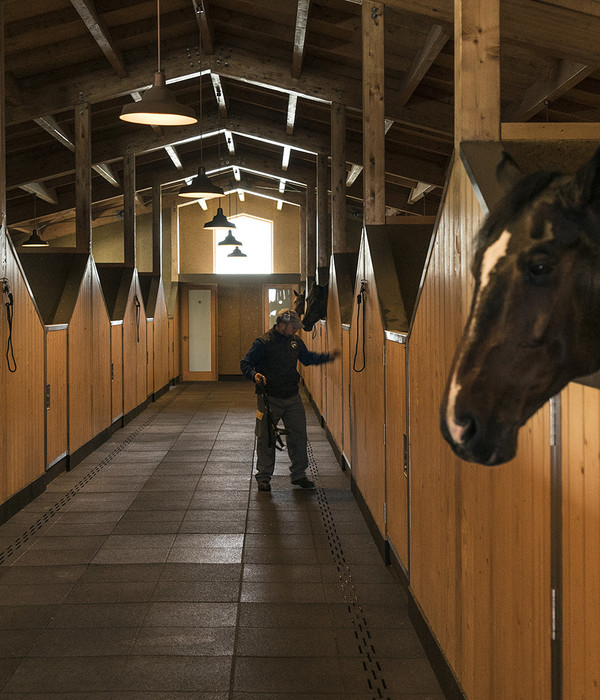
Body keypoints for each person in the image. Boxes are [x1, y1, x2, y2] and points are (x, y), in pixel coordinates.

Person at [240, 308, 339, 492]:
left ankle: (299, 475)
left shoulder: (295, 342)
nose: (296, 330)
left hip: (292, 397)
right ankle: (264, 477)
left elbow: (307, 359)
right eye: (293, 326)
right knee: (266, 438)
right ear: (282, 324)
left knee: (299, 436)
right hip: (269, 399)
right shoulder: (263, 342)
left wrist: (327, 357)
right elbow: (245, 363)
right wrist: (254, 375)